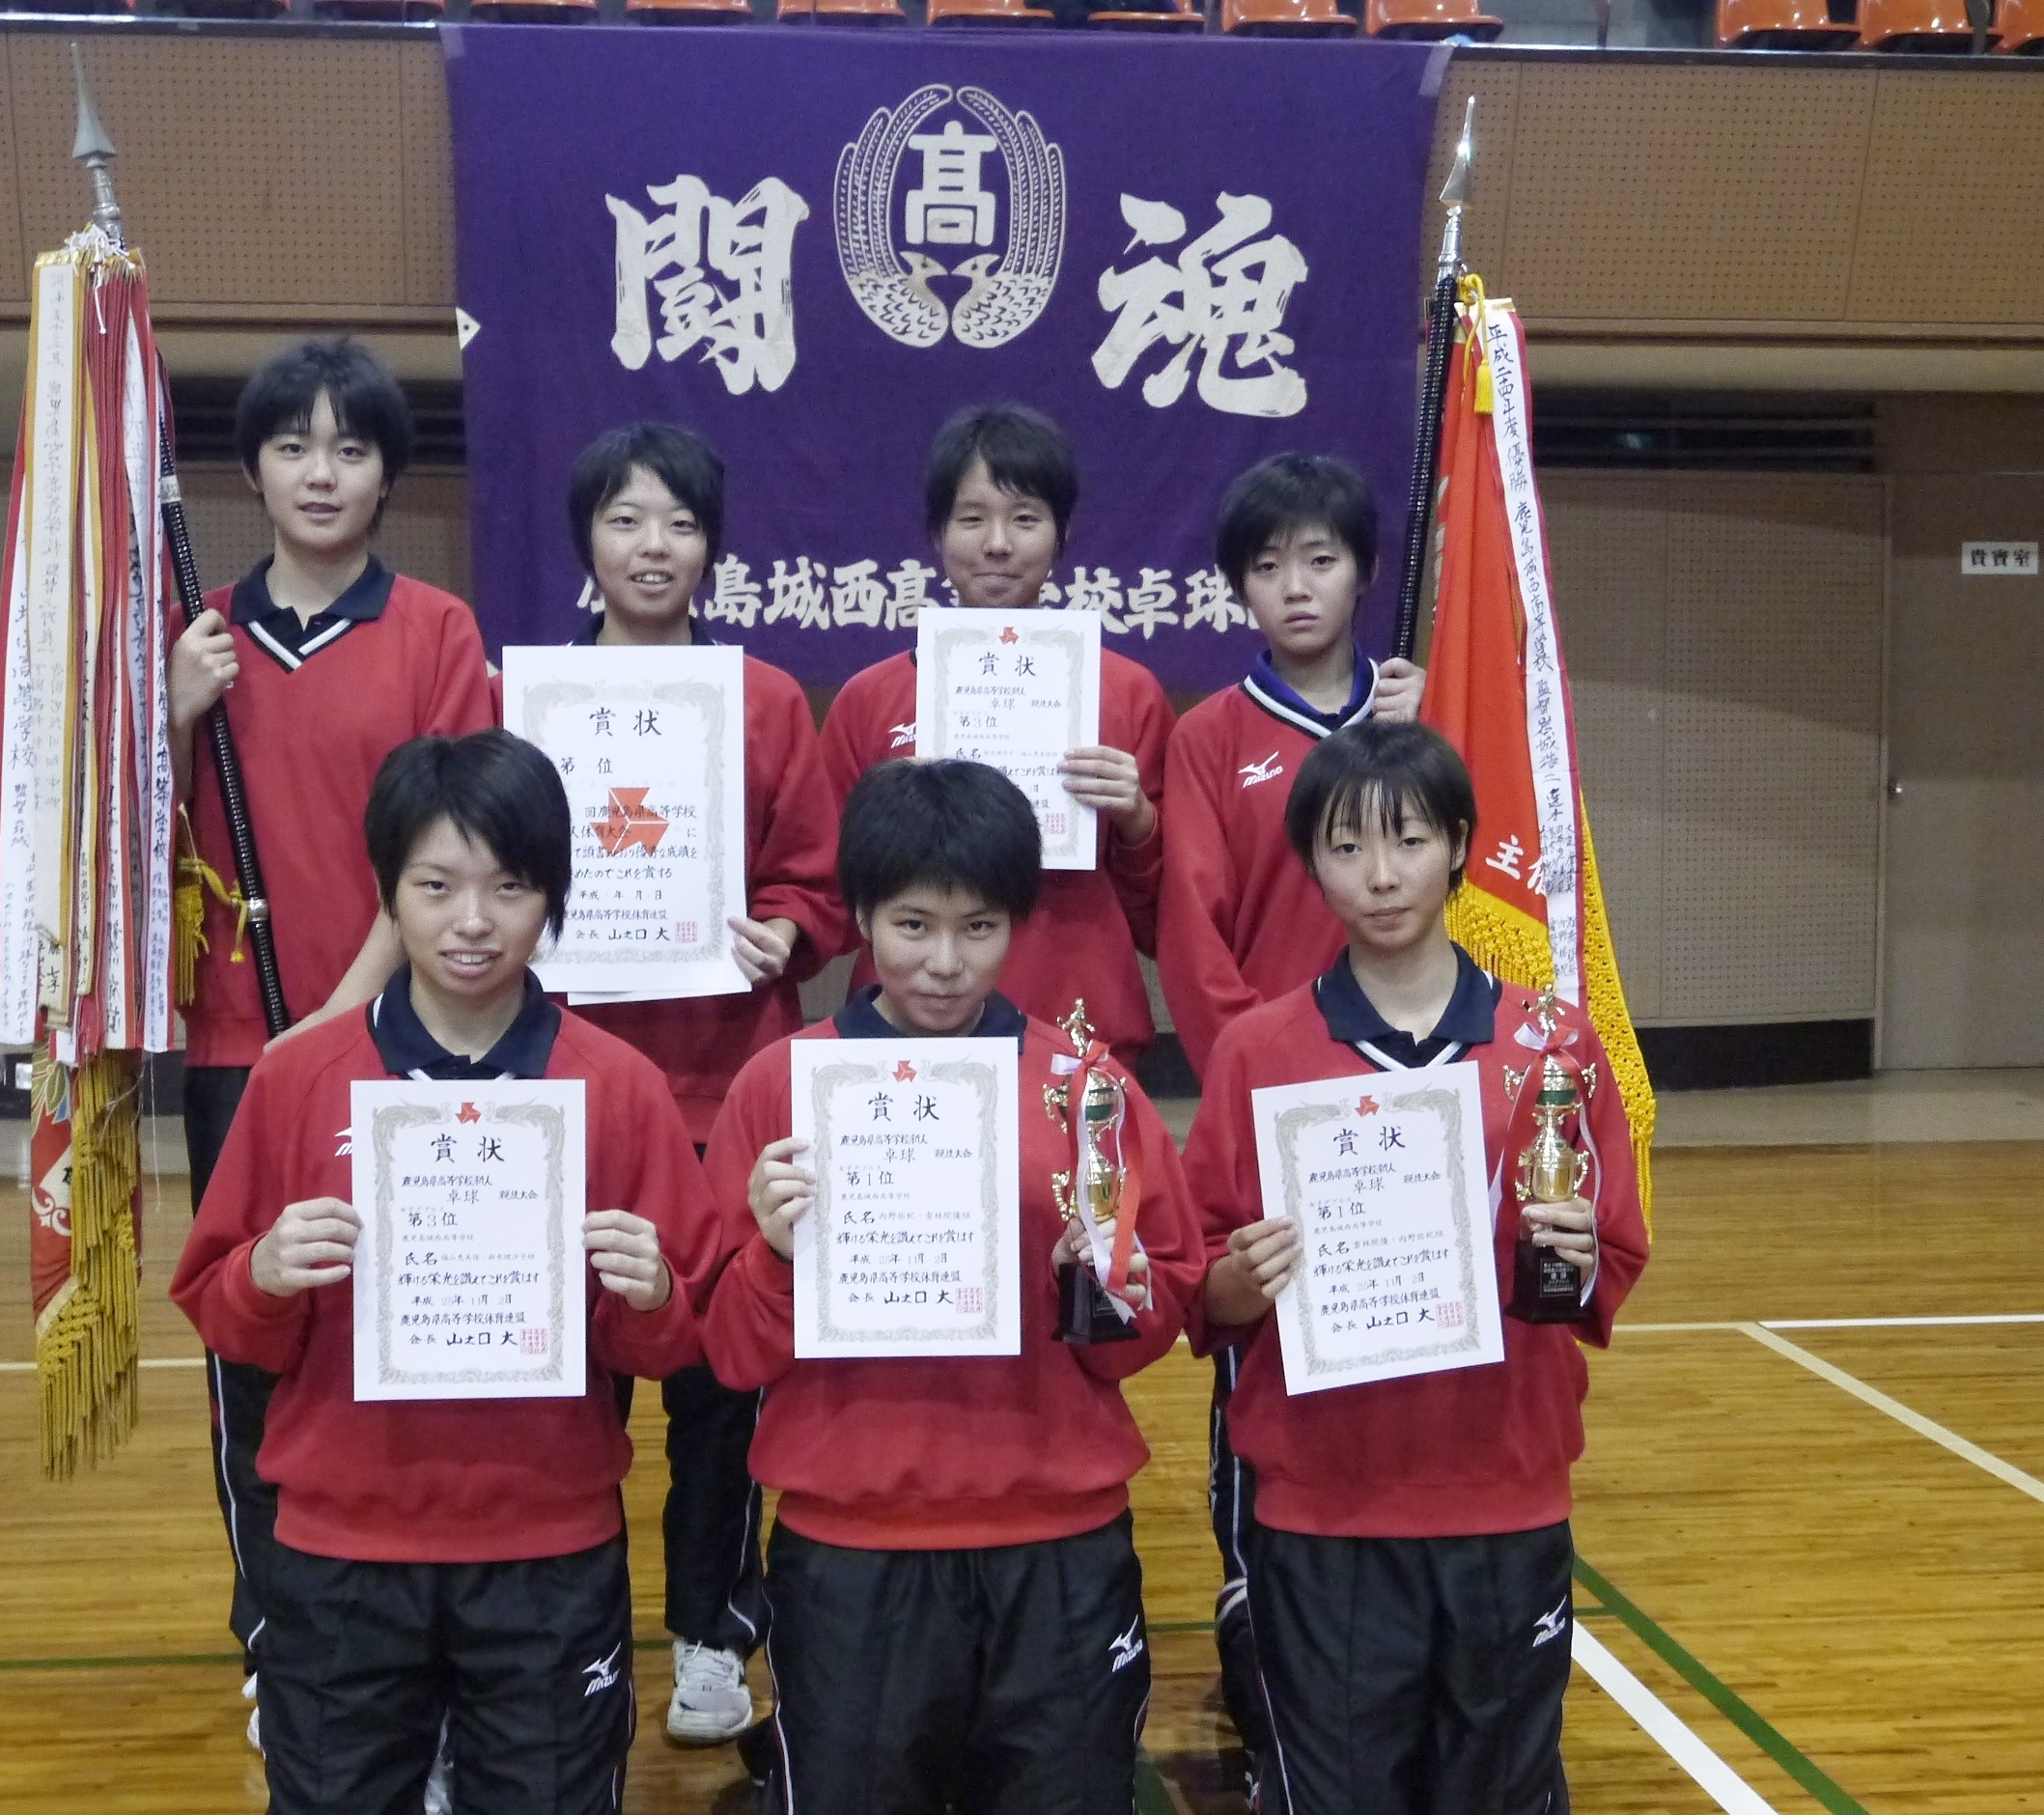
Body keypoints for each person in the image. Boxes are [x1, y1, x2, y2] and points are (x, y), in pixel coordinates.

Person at [171, 730, 720, 1815]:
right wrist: (265, 1274)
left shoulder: (617, 1086)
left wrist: (652, 1294)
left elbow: (680, 1337)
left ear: (551, 895)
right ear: (387, 894)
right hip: (340, 1551)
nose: (473, 920)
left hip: (546, 1547)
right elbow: (221, 1313)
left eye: (509, 887)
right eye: (436, 886)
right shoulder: (298, 1077)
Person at [701, 759, 1207, 1815]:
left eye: (977, 927)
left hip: (1058, 1537)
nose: (942, 961)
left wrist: (1102, 1288)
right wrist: (774, 1255)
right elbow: (730, 1353)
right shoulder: (780, 1087)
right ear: (860, 918)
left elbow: (1148, 1323)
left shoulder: (1087, 1089)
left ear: (1017, 922)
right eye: (912, 925)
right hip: (853, 1544)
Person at [1182, 720, 1649, 1815]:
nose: (1381, 875)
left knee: (1499, 1789)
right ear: (1309, 861)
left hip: (1503, 1493)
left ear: (1460, 845)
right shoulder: (1257, 1051)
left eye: (1409, 839)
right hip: (1324, 1509)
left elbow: (1614, 1251)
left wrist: (1577, 1258)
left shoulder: (1552, 1045)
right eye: (1346, 846)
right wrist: (1239, 1279)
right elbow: (1194, 1280)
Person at [166, 338, 498, 1741]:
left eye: (351, 448)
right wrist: (166, 718)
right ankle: (276, 1629)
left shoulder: (435, 631)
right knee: (258, 1335)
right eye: (294, 447)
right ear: (251, 470)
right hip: (235, 1049)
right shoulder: (196, 637)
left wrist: (340, 1018)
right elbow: (114, 845)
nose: (321, 472)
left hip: (402, 1039)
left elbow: (452, 853)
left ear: (386, 476)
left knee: (407, 1329)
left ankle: (424, 1636)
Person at [550, 422, 845, 1747]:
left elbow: (815, 876)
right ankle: (568, 1634)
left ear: (712, 545)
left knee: (723, 1392)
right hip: (574, 1093)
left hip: (730, 1091)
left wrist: (785, 928)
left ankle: (713, 1636)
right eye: (625, 519)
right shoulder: (532, 702)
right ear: (587, 537)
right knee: (571, 1381)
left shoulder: (766, 700)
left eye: (677, 521)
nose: (652, 546)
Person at [1149, 452, 1420, 1784]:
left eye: (1320, 558)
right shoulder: (1210, 737)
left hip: (1422, 1107)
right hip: (1277, 1109)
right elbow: (1193, 938)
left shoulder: (1423, 724)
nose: (1295, 586)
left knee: (1409, 1347)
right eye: (1267, 565)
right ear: (1238, 588)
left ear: (1363, 570)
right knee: (1259, 1350)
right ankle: (1262, 1626)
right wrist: (1266, 1078)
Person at [814, 403, 1174, 1072]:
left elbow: (1166, 918)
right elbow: (832, 901)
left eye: (1026, 518)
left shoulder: (1128, 694)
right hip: (910, 1027)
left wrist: (1138, 821)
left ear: (1062, 534)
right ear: (938, 532)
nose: (998, 543)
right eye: (972, 518)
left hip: (1080, 1020)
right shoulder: (869, 701)